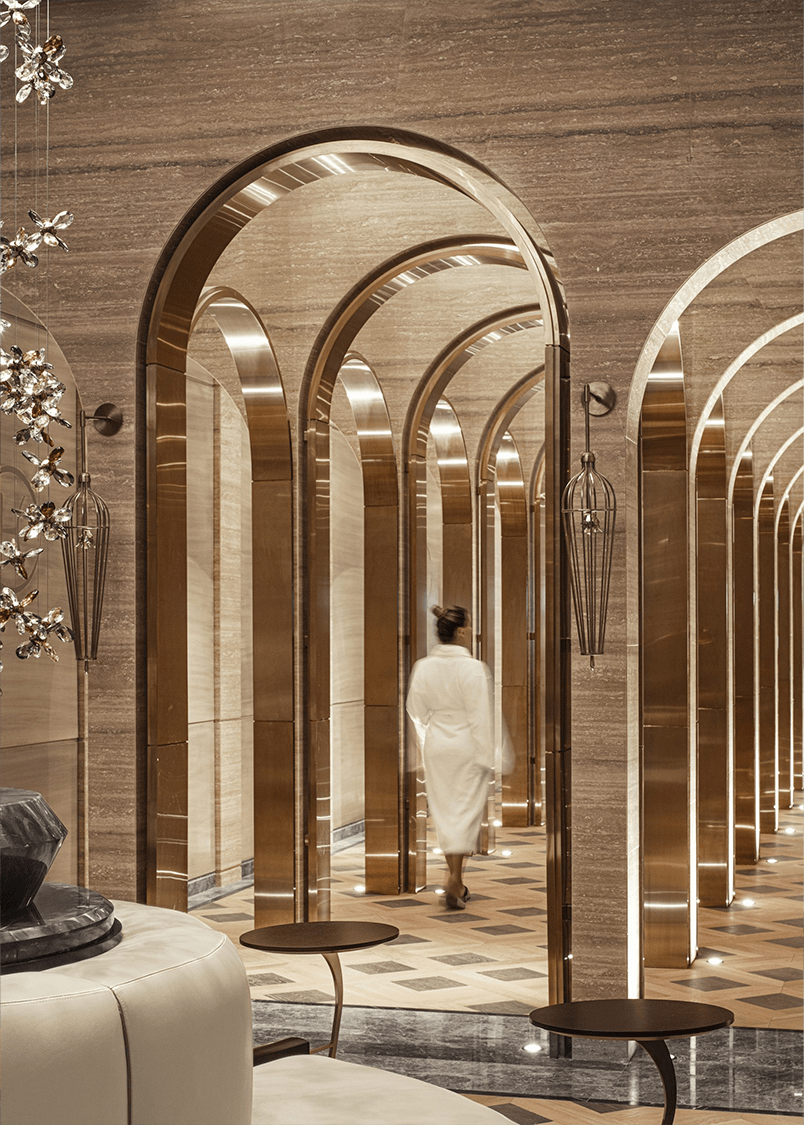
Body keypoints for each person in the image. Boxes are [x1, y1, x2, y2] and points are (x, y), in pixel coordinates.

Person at [406, 604, 496, 909]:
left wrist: (428, 736)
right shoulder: (473, 668)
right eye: (468, 626)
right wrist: (489, 756)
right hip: (468, 745)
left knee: (445, 812)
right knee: (464, 812)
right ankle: (455, 878)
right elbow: (480, 716)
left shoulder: (423, 667)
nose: (471, 632)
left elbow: (415, 710)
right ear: (459, 631)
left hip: (438, 745)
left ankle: (454, 878)